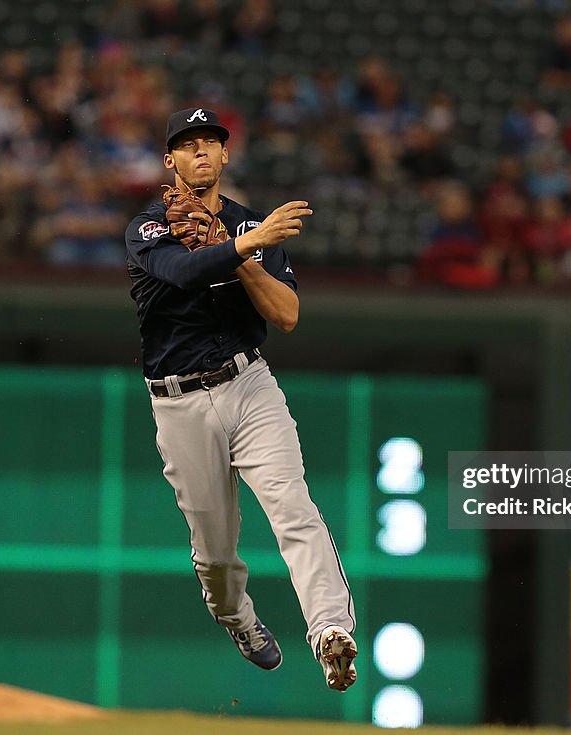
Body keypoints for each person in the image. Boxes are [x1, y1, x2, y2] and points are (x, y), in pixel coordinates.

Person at [123, 107, 358, 691]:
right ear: (169, 160)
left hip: (248, 384)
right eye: (187, 144)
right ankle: (236, 617)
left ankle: (331, 629)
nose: (200, 151)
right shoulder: (148, 227)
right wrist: (245, 243)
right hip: (177, 402)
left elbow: (286, 314)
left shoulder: (253, 225)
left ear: (226, 155)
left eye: (210, 142)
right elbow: (180, 272)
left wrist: (244, 251)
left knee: (293, 508)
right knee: (216, 552)